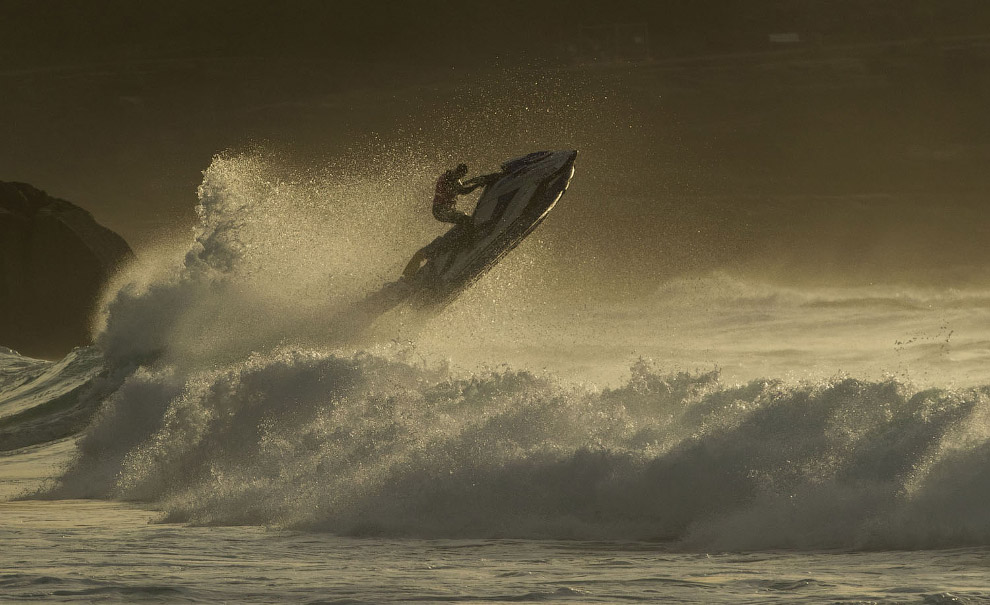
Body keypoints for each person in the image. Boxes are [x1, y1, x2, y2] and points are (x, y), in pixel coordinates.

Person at [403, 164, 501, 278]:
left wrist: (481, 179)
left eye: (462, 175)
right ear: (457, 171)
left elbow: (462, 184)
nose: (460, 176)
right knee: (466, 220)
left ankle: (462, 239)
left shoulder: (453, 177)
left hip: (444, 210)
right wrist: (478, 184)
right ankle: (468, 242)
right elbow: (463, 190)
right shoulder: (448, 178)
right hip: (440, 211)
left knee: (465, 221)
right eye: (460, 174)